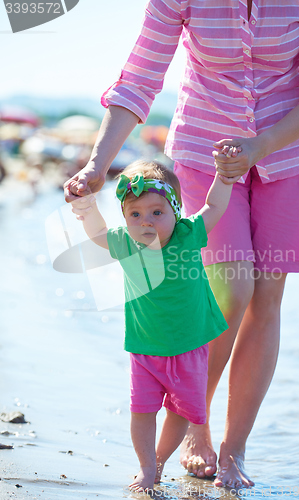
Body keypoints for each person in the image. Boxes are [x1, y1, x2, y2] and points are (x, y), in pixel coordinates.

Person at [64, 0, 299, 489]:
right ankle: (195, 425)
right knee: (231, 292)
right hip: (203, 150)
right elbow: (139, 78)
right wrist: (98, 163)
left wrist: (261, 145)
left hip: (291, 154)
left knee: (266, 300)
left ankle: (234, 449)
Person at [69, 159, 233, 492]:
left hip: (190, 346)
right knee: (142, 410)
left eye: (157, 213)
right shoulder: (125, 243)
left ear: (175, 211)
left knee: (181, 412)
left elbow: (214, 205)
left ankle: (158, 463)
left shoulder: (188, 235)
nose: (146, 222)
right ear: (126, 218)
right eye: (135, 214)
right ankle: (145, 467)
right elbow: (98, 231)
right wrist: (85, 205)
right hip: (145, 348)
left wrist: (225, 176)